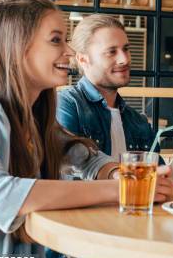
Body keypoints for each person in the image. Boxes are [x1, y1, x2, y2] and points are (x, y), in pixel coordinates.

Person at [0, 0, 173, 258]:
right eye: (56, 40)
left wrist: (122, 175)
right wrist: (124, 189)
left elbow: (85, 158)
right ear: (16, 47)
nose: (68, 50)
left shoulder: (32, 116)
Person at [57, 14, 157, 158]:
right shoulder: (67, 105)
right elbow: (70, 169)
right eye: (111, 52)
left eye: (126, 49)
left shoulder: (138, 121)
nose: (124, 59)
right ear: (83, 59)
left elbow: (156, 173)